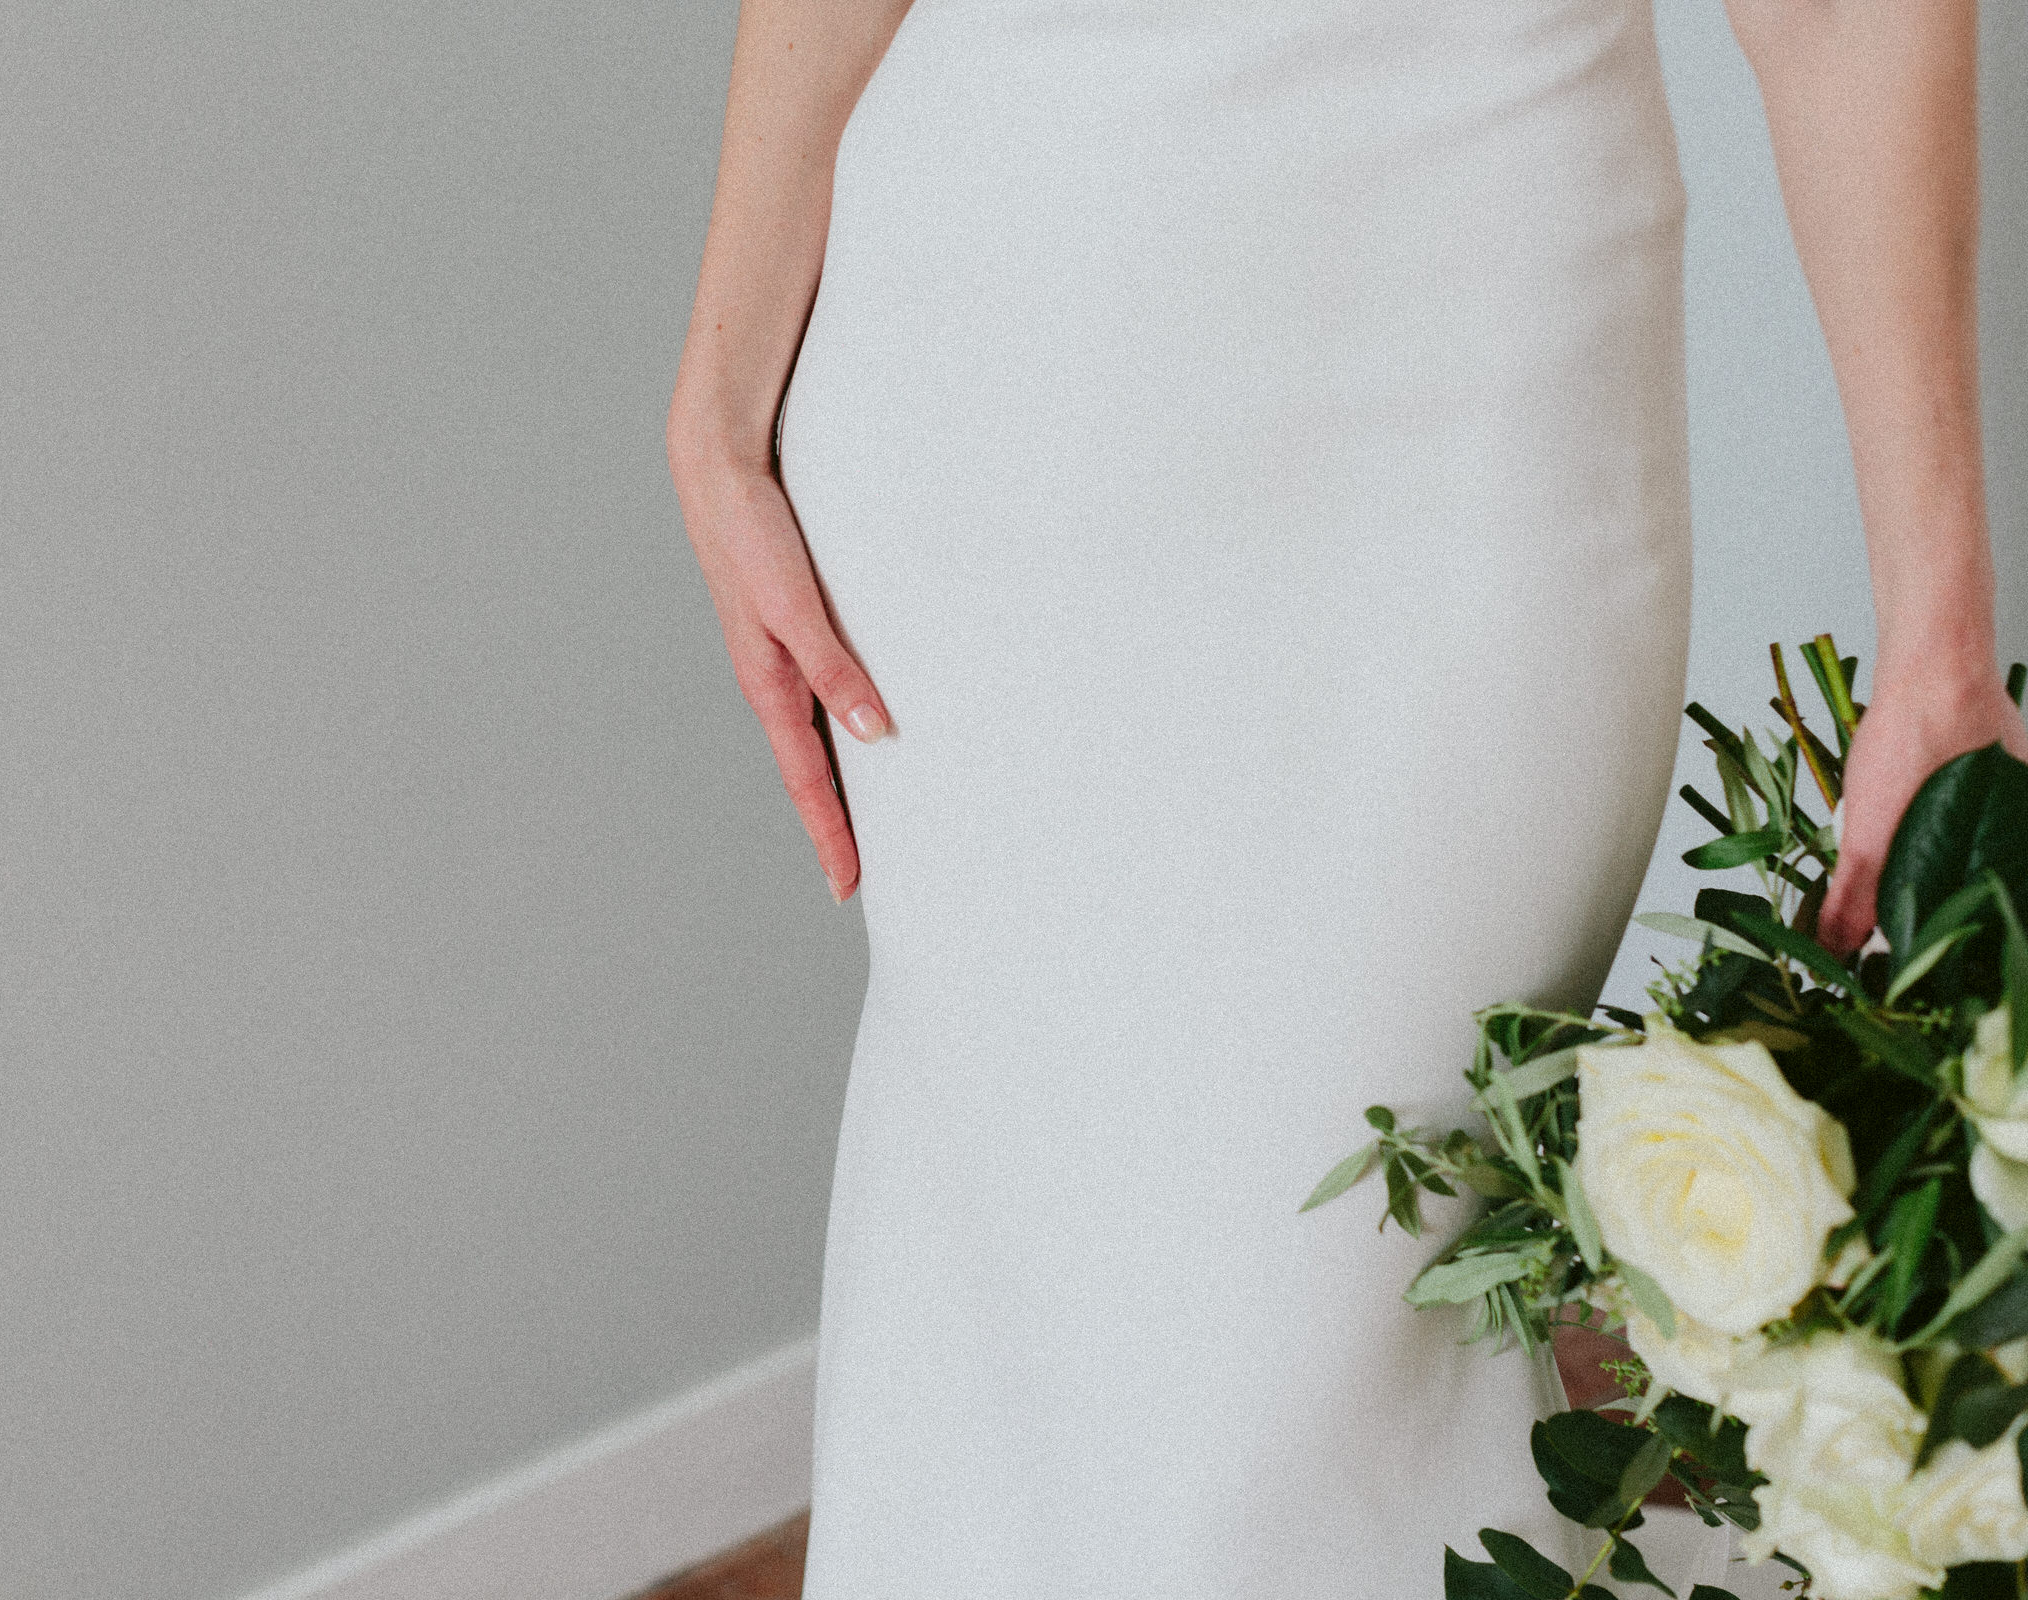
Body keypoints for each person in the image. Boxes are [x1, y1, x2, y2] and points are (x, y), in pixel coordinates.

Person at [664, 0, 2027, 1593]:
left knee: (1332, 1331)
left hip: (1476, 365)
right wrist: (721, 389)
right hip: (988, 351)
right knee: (1023, 1341)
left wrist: (1940, 630)